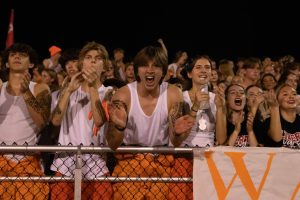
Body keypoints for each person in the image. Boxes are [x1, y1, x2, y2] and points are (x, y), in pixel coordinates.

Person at [106, 45, 194, 199]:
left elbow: (176, 141)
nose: (150, 70)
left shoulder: (173, 93)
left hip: (160, 163)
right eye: (145, 65)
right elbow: (113, 145)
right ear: (137, 70)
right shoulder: (123, 95)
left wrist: (178, 134)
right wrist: (119, 127)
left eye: (156, 66)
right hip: (130, 163)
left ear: (163, 71)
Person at [50, 41, 113, 199]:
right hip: (64, 166)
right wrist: (69, 90)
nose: (92, 61)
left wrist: (92, 87)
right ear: (81, 63)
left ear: (105, 66)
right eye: (88, 57)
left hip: (96, 167)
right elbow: (55, 121)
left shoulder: (110, 92)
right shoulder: (68, 90)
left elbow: (99, 120)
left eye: (98, 58)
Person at [0, 43, 50, 199]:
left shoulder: (40, 88)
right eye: (13, 54)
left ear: (31, 63)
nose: (17, 56)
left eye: (22, 54)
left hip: (28, 165)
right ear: (7, 63)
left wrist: (25, 92)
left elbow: (42, 122)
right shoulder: (0, 88)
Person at [169, 55, 217, 200]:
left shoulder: (216, 99)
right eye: (198, 67)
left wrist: (221, 109)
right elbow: (175, 135)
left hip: (208, 158)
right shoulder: (180, 98)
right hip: (184, 158)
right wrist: (195, 106)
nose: (204, 71)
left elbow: (221, 137)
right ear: (189, 74)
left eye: (207, 67)